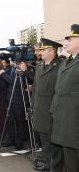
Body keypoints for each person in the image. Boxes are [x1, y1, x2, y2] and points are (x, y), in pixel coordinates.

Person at [30, 38, 63, 171]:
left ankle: (54, 167)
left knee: (53, 143)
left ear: (52, 51)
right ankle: (49, 164)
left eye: (43, 50)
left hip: (51, 111)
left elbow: (59, 91)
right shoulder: (39, 66)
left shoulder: (61, 66)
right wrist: (32, 105)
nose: (40, 52)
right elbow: (35, 90)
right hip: (39, 110)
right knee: (44, 140)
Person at [51, 24, 79, 172]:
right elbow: (59, 90)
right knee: (69, 163)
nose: (66, 43)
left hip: (74, 122)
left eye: (70, 40)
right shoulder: (67, 62)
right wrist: (54, 110)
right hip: (64, 121)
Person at [0, 60, 34, 150]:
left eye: (21, 63)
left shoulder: (25, 72)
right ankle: (11, 139)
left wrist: (3, 74)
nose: (18, 64)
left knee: (19, 122)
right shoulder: (13, 69)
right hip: (10, 99)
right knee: (10, 121)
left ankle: (19, 142)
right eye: (18, 63)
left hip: (19, 100)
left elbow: (14, 81)